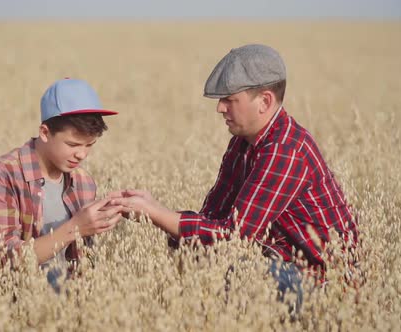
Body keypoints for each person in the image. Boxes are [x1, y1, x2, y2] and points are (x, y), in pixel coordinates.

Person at [109, 44, 359, 310]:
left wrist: (155, 214)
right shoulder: (242, 143)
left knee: (244, 277)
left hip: (328, 285)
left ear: (264, 101)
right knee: (199, 260)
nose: (219, 108)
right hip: (283, 263)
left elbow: (233, 237)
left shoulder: (285, 150)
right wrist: (154, 208)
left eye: (230, 100)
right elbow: (214, 219)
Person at [0, 78, 123, 287]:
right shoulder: (1, 174)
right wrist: (75, 227)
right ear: (44, 132)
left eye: (90, 145)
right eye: (72, 144)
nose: (82, 154)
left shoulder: (84, 182)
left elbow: (84, 262)